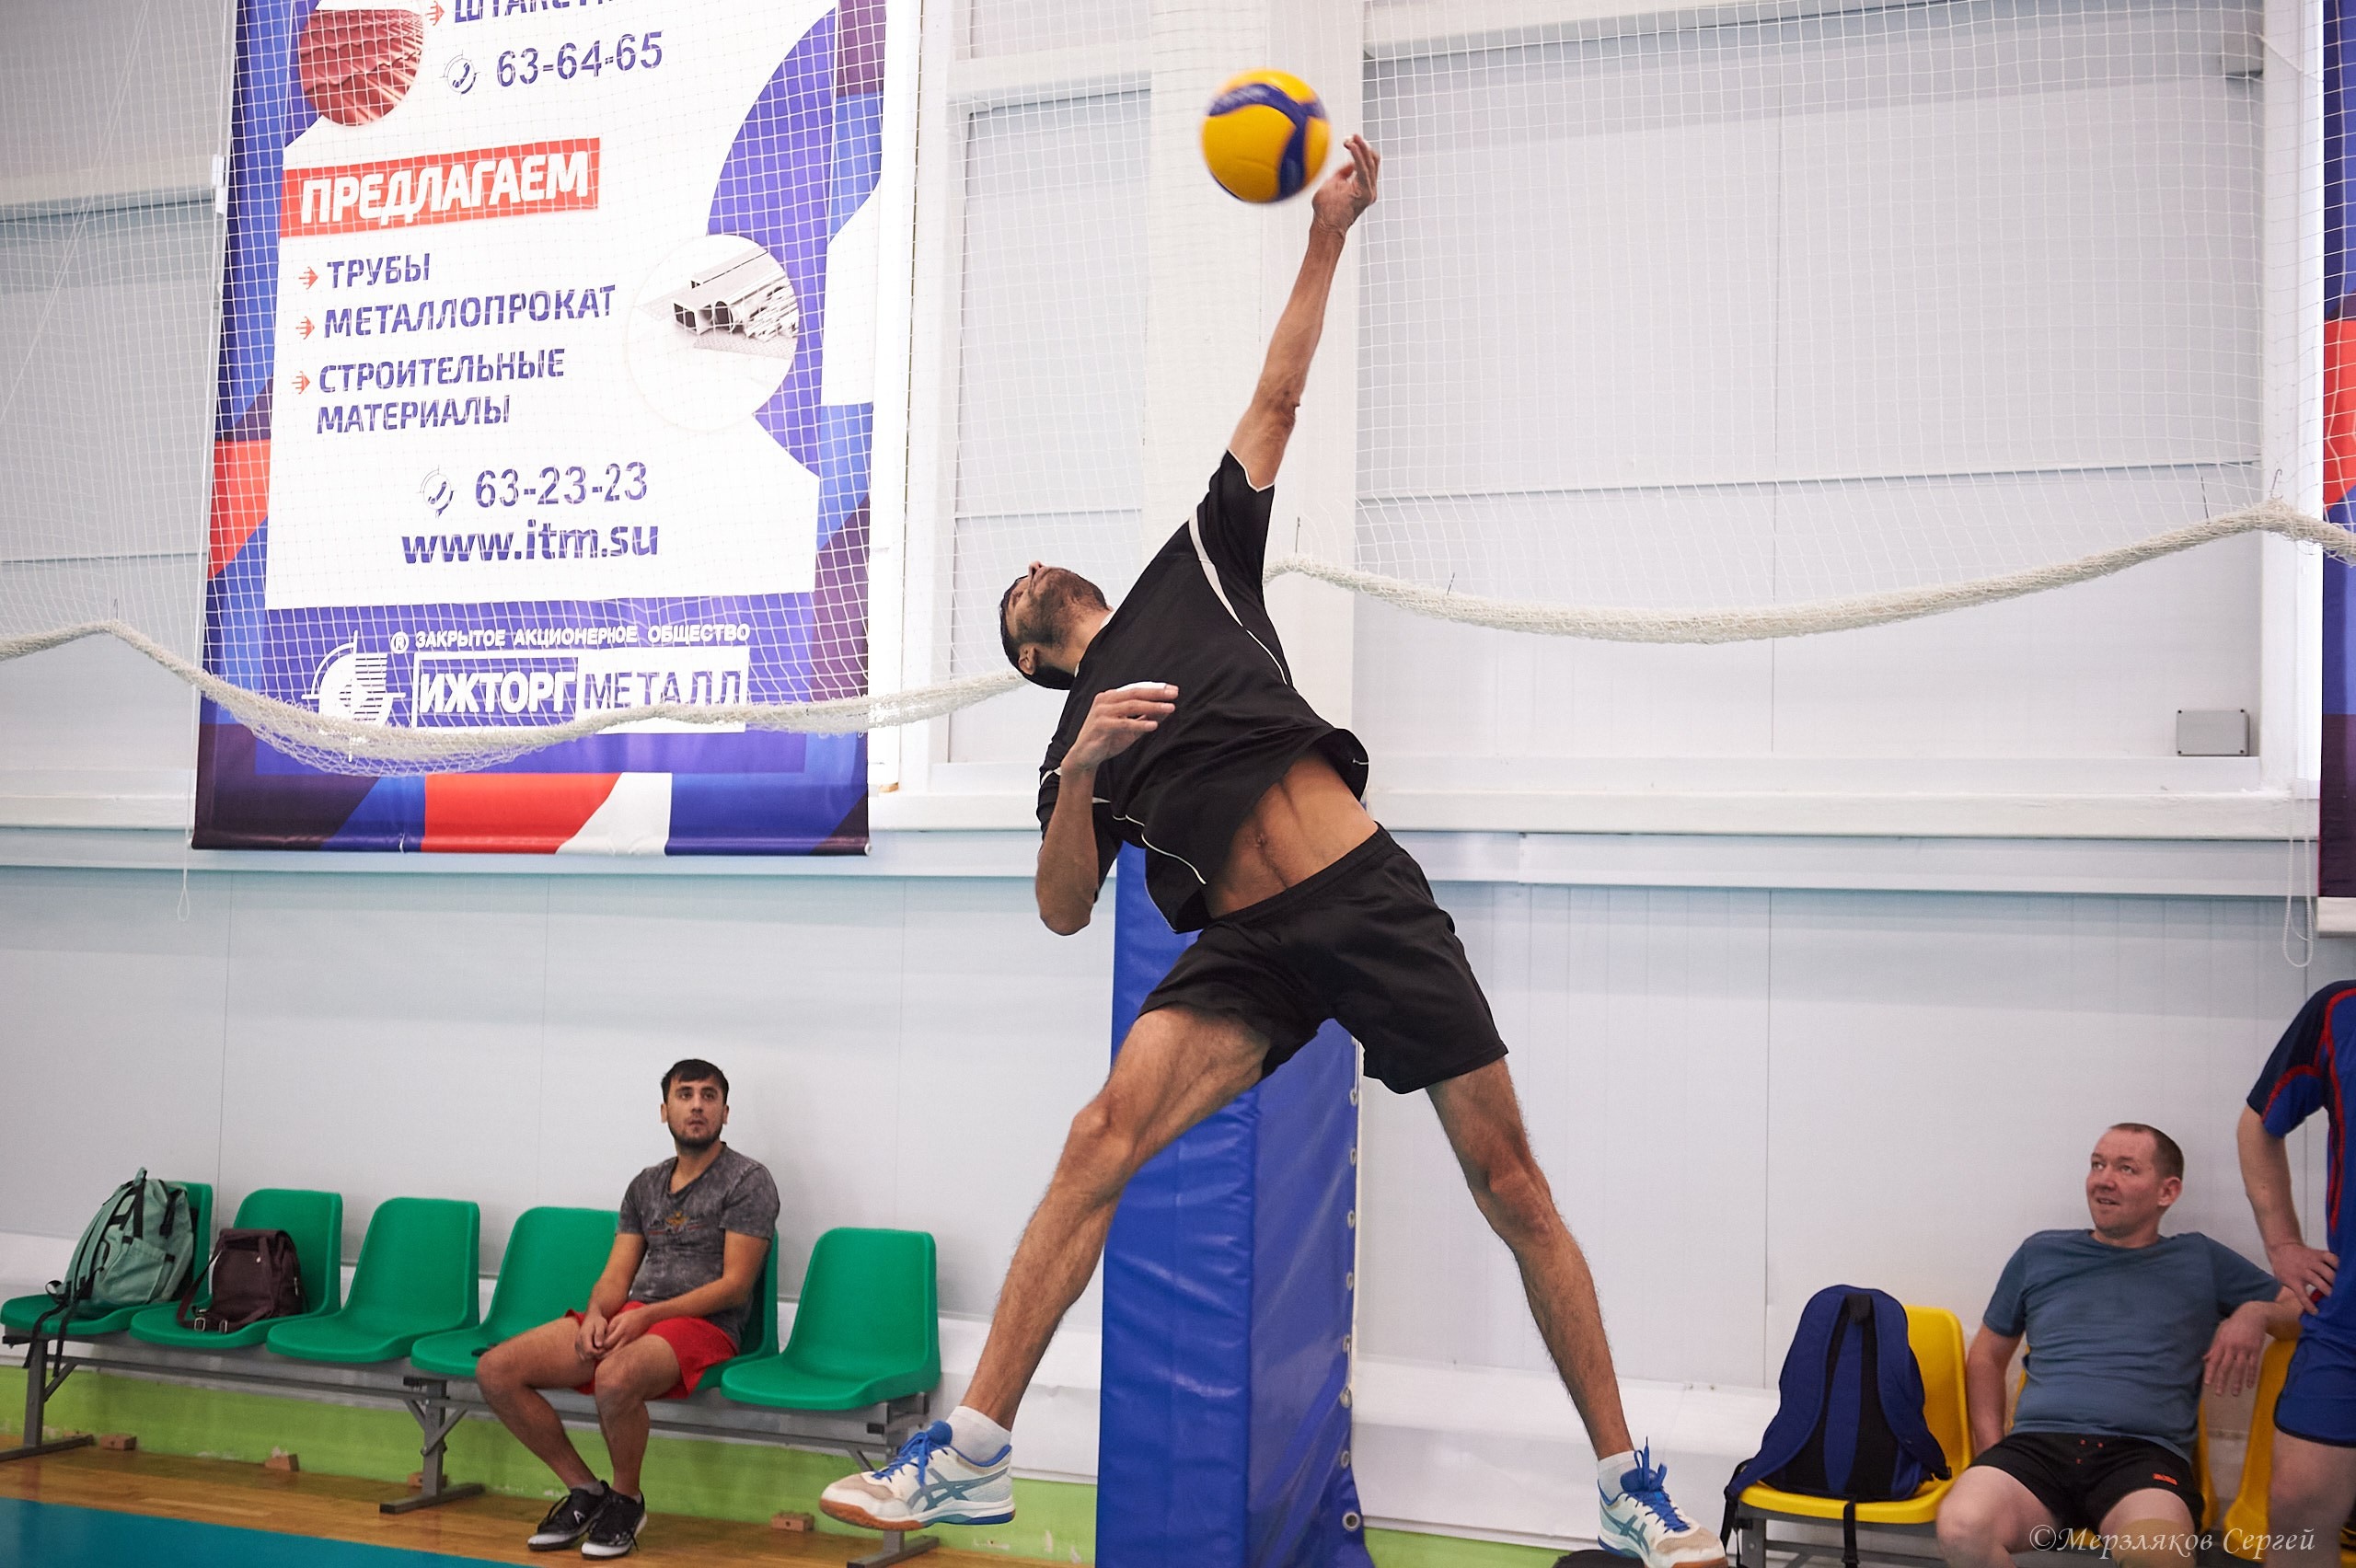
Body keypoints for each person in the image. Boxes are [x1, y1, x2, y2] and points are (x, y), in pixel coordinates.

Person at [817, 134, 1720, 1568]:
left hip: (1362, 899)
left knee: (1513, 1186)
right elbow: (1063, 911)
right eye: (1013, 606)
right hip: (1241, 950)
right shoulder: (1074, 749)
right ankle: (973, 1448)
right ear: (1036, 661)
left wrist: (1330, 232)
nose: (1028, 581)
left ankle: (1624, 1476)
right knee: (1094, 1140)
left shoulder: (1195, 561)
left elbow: (1279, 394)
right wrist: (1086, 775)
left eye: (1033, 570)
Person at [1934, 1124, 2296, 1568]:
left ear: (2168, 1191)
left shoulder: (2199, 1259)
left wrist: (2255, 1313)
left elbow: (2302, 1310)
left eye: (2126, 1169)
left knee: (2157, 1556)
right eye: (2097, 1165)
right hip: (2036, 1449)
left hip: (2144, 1456)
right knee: (1961, 1528)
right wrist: (1991, 1452)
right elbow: (1988, 1357)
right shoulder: (2041, 1253)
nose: (2103, 1179)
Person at [475, 1059, 779, 1560]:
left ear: (726, 1112)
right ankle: (584, 1491)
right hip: (637, 1316)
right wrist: (598, 1312)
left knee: (615, 1378)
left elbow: (734, 1287)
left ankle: (626, 1498)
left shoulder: (748, 1180)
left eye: (709, 1096)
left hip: (706, 1327)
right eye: (685, 1095)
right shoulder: (644, 1185)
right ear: (665, 1111)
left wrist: (647, 1317)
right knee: (497, 1369)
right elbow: (617, 1275)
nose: (697, 1105)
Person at [2239, 980, 2356, 1568]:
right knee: (2296, 1508)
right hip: (2348, 1326)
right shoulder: (2340, 1010)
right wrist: (2282, 1243)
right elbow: (2259, 1125)